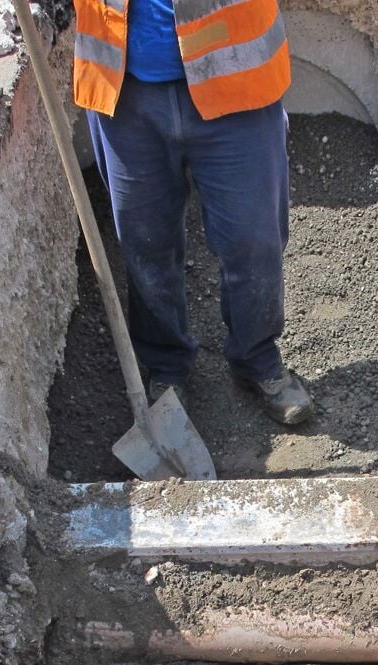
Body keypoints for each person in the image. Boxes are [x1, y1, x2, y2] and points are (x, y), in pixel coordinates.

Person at [69, 0, 313, 425]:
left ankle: (257, 357)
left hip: (236, 80)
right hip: (124, 88)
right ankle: (166, 366)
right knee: (146, 244)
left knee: (253, 239)